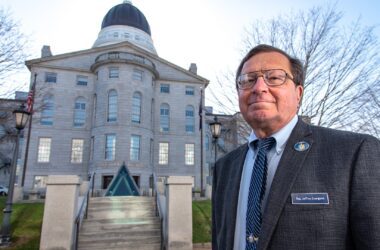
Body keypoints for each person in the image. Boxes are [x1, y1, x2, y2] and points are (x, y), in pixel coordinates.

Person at [212, 44, 380, 250]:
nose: (258, 87)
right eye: (248, 80)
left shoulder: (354, 152)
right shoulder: (224, 167)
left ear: (298, 93)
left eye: (274, 78)